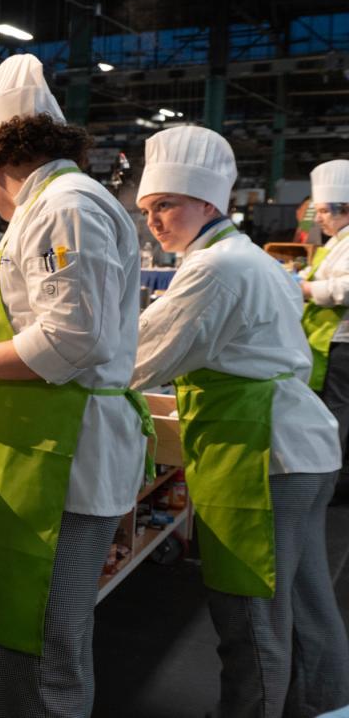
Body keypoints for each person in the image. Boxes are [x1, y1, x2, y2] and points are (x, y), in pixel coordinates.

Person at [0, 53, 148, 715]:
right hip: (41, 453)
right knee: (26, 638)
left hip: (63, 457)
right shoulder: (46, 212)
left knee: (43, 653)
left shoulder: (65, 209)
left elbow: (71, 340)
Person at [131, 126, 349, 715]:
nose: (153, 219)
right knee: (304, 606)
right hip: (298, 448)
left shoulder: (215, 268)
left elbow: (137, 357)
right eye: (148, 208)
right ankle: (323, 708)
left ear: (208, 202)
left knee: (251, 615)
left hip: (262, 456)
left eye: (166, 204)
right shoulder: (247, 257)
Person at [298, 159, 349, 491]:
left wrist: (305, 289)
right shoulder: (336, 242)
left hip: (342, 341)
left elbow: (345, 288)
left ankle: (330, 481)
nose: (320, 220)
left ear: (342, 208)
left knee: (336, 412)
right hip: (324, 338)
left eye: (323, 212)